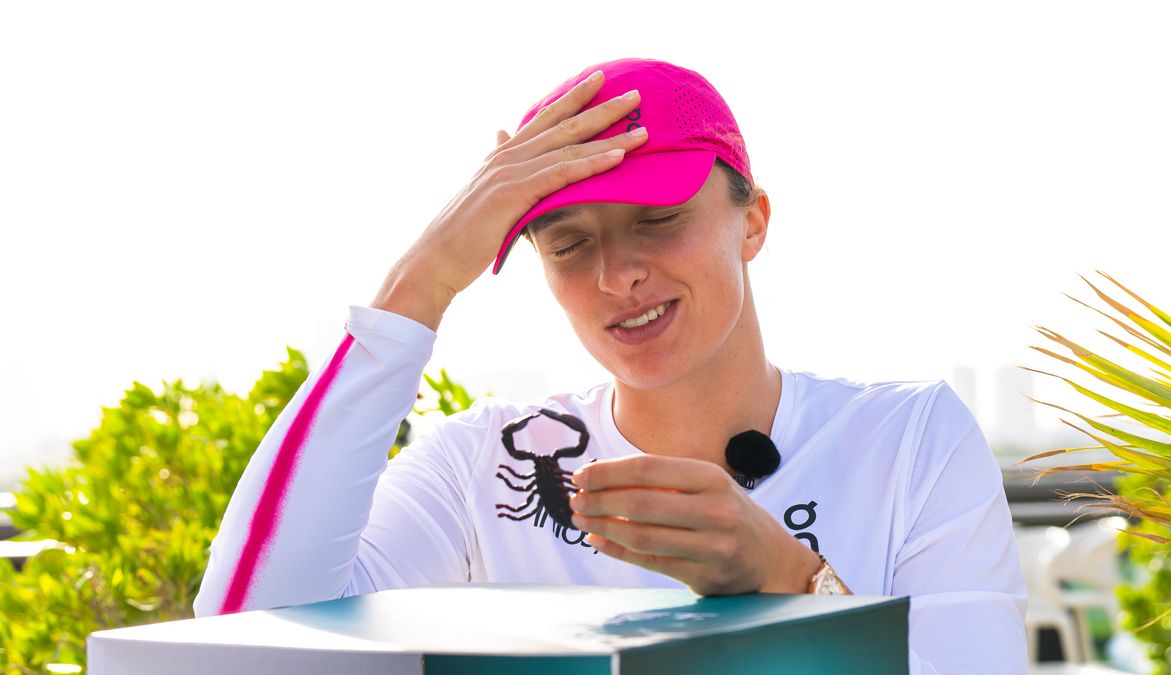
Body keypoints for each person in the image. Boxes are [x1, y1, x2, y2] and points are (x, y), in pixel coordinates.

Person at [193, 57, 1028, 672]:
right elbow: (242, 633)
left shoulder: (910, 439)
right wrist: (426, 278)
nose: (614, 274)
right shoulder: (477, 465)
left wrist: (786, 576)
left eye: (658, 218)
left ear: (754, 221)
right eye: (568, 244)